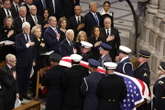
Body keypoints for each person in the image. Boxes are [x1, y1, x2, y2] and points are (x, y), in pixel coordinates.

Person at [15, 22, 35, 100]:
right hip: (21, 61)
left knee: (27, 78)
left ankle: (25, 93)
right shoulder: (18, 37)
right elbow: (17, 48)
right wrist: (27, 45)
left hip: (29, 61)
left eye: (29, 28)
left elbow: (33, 50)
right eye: (26, 28)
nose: (28, 30)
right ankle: (20, 95)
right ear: (23, 29)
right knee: (20, 79)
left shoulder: (31, 36)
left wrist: (33, 60)